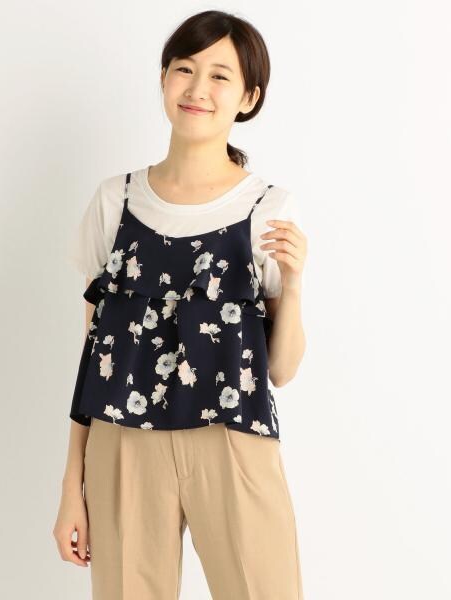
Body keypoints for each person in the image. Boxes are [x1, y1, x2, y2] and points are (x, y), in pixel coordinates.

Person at [53, 9, 307, 600]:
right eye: (184, 69)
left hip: (232, 437)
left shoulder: (268, 209)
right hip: (123, 440)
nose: (197, 89)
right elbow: (94, 358)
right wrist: (72, 484)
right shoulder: (114, 201)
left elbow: (281, 370)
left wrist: (293, 287)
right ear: (164, 78)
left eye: (220, 76)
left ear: (249, 97)